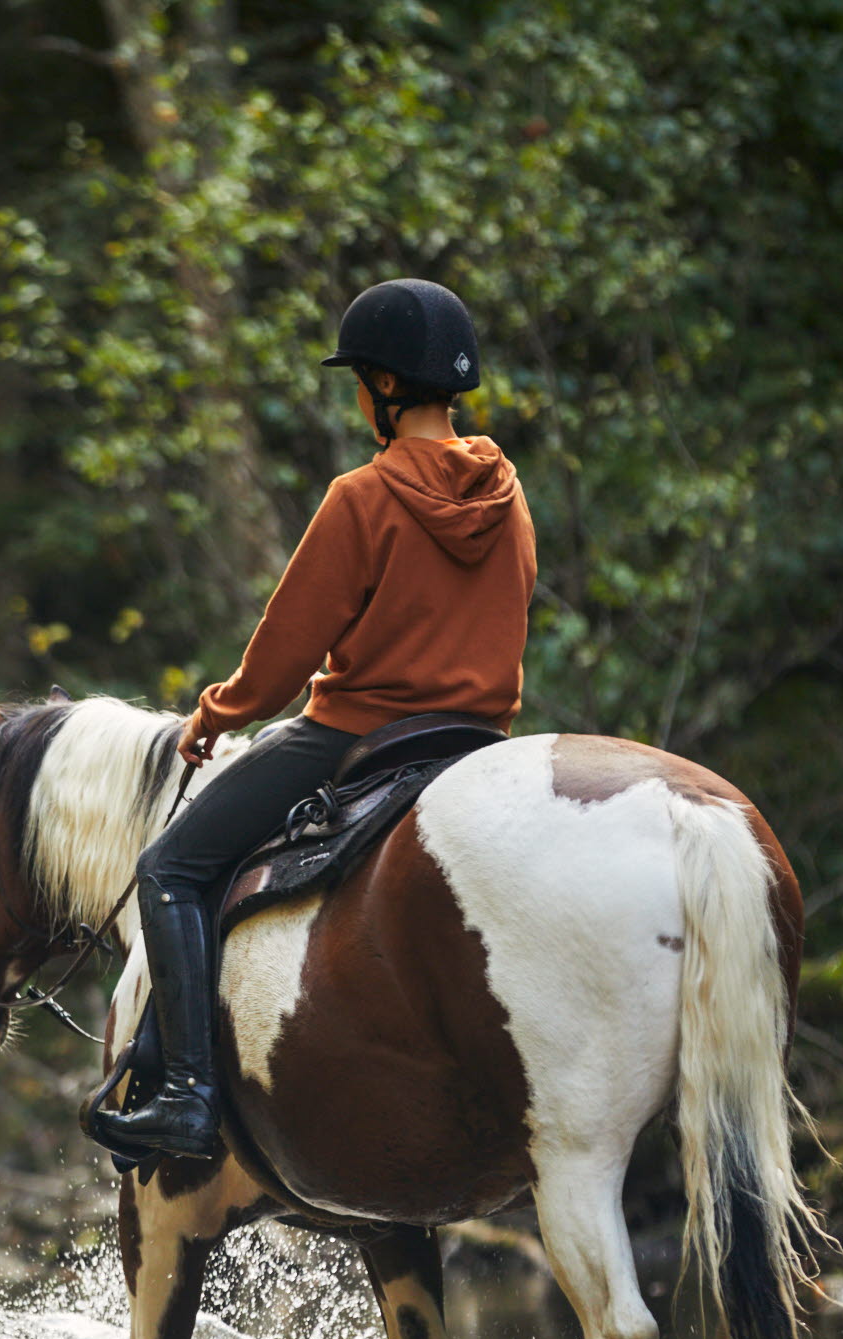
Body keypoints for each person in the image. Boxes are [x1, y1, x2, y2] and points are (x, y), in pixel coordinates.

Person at [87, 277, 537, 1162]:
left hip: (359, 738)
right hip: (481, 746)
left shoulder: (362, 498)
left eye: (360, 381)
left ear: (383, 387)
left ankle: (185, 1097)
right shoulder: (508, 494)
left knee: (171, 868)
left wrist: (215, 716)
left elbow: (285, 654)